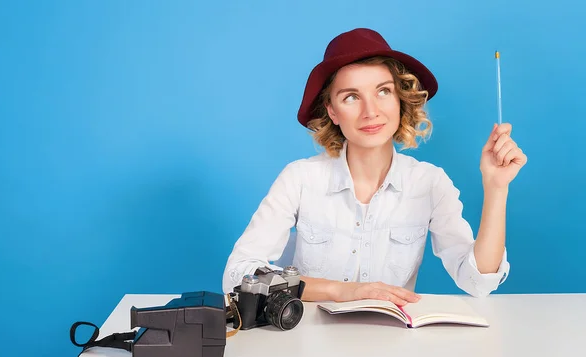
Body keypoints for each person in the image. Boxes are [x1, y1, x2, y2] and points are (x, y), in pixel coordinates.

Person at [222, 28, 527, 306]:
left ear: (400, 100)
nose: (371, 112)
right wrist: (341, 291)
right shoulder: (300, 178)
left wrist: (496, 188)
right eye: (351, 97)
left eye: (383, 91)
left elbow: (478, 281)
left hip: (392, 344)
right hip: (309, 343)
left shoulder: (430, 183)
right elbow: (237, 275)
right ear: (332, 111)